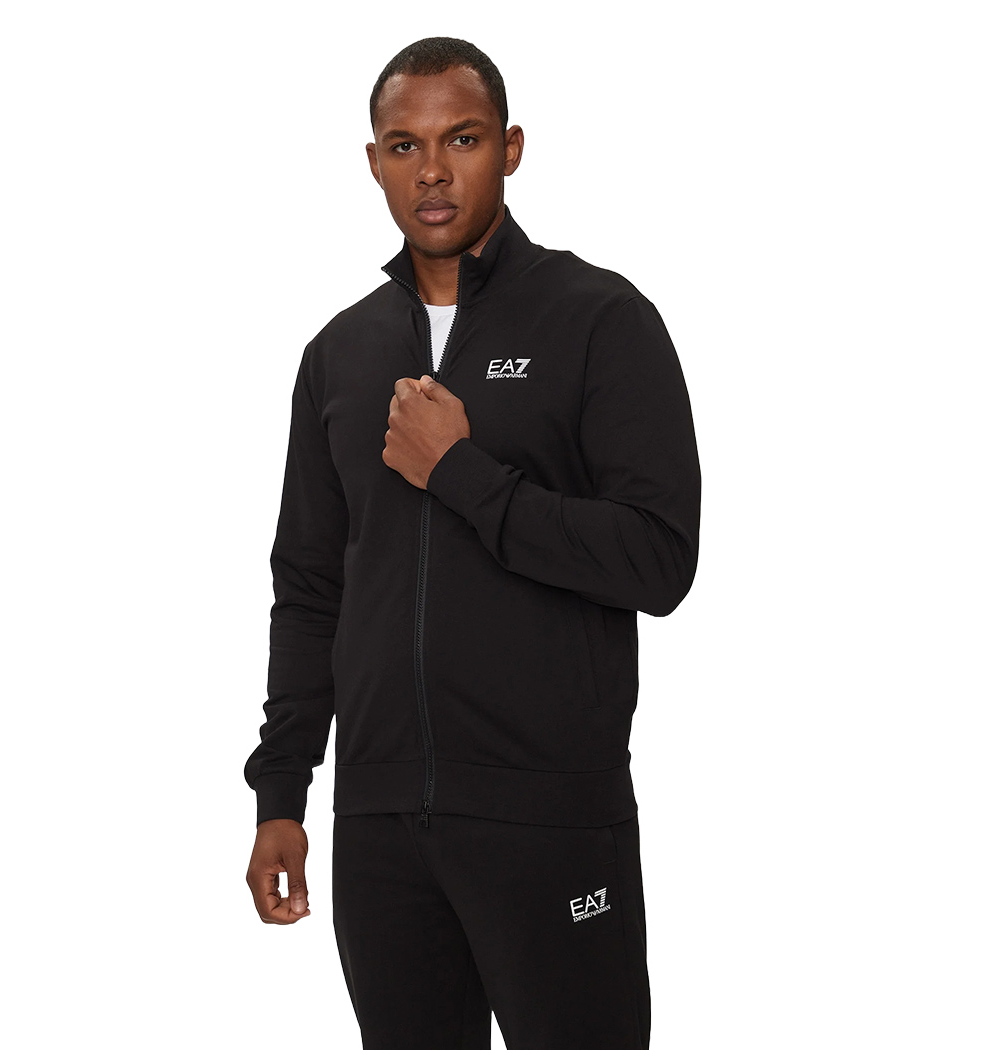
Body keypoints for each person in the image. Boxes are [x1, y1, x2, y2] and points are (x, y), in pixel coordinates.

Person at [244, 35, 701, 1050]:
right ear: (374, 162)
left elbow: (659, 558)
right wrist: (282, 794)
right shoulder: (339, 354)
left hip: (550, 820)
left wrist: (461, 473)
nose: (434, 172)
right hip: (380, 831)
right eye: (405, 147)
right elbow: (311, 589)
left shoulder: (601, 320)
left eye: (463, 139)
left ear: (512, 148)